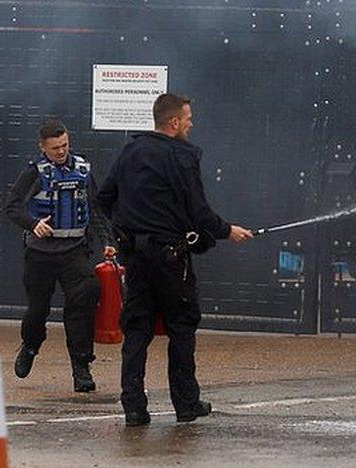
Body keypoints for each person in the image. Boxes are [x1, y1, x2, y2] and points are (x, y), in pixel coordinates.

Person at [97, 93, 253, 426]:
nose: (191, 124)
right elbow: (198, 211)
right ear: (174, 122)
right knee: (182, 327)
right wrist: (228, 231)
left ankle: (134, 409)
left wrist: (125, 229)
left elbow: (103, 198)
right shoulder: (182, 157)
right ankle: (186, 404)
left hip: (136, 258)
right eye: (188, 118)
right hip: (171, 259)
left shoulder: (130, 151)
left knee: (137, 329)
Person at [3, 119, 116, 392]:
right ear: (43, 147)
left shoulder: (82, 169)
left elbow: (95, 208)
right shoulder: (34, 173)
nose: (61, 151)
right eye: (55, 148)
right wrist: (33, 224)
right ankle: (30, 346)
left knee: (84, 300)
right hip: (40, 253)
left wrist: (108, 241)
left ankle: (81, 367)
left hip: (74, 250)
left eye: (64, 145)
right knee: (37, 309)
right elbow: (12, 206)